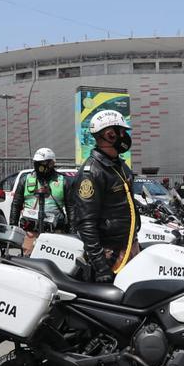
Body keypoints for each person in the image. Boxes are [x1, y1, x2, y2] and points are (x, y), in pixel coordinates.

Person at [73, 110, 139, 282]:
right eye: (122, 131)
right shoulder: (92, 172)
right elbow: (86, 224)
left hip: (129, 247)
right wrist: (101, 266)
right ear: (110, 135)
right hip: (110, 255)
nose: (125, 136)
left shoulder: (120, 166)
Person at [9, 147, 71, 253]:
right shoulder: (25, 180)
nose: (39, 166)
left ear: (52, 163)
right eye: (36, 162)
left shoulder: (63, 181)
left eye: (42, 162)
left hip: (56, 232)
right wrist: (13, 228)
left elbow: (72, 208)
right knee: (28, 264)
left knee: (53, 264)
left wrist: (72, 231)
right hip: (30, 232)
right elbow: (16, 204)